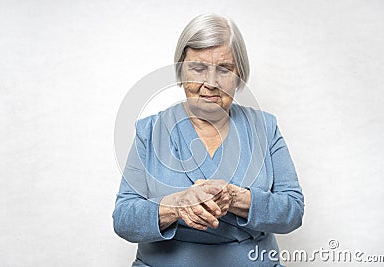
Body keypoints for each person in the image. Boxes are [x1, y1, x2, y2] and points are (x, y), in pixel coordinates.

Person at [113, 13, 304, 267]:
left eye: (224, 69)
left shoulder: (265, 128)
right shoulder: (150, 131)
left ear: (239, 76)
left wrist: (236, 199)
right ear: (181, 70)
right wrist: (176, 206)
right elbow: (124, 219)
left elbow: (292, 211)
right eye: (198, 68)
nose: (211, 83)